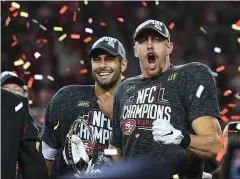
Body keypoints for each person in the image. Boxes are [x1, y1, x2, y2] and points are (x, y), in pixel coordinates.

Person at [109, 19, 222, 178]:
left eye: (156, 40)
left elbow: (216, 147)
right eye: (143, 41)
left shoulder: (189, 76)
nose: (149, 45)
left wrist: (180, 137)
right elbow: (114, 147)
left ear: (169, 47)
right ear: (135, 51)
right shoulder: (124, 89)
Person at [40, 36, 128, 178]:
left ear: (123, 65)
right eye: (97, 59)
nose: (102, 65)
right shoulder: (66, 98)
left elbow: (138, 161)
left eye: (110, 59)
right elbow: (46, 157)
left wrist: (115, 115)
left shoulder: (135, 104)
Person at [1, 88, 48, 179]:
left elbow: (32, 161)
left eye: (16, 88)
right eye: (8, 87)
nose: (12, 90)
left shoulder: (17, 103)